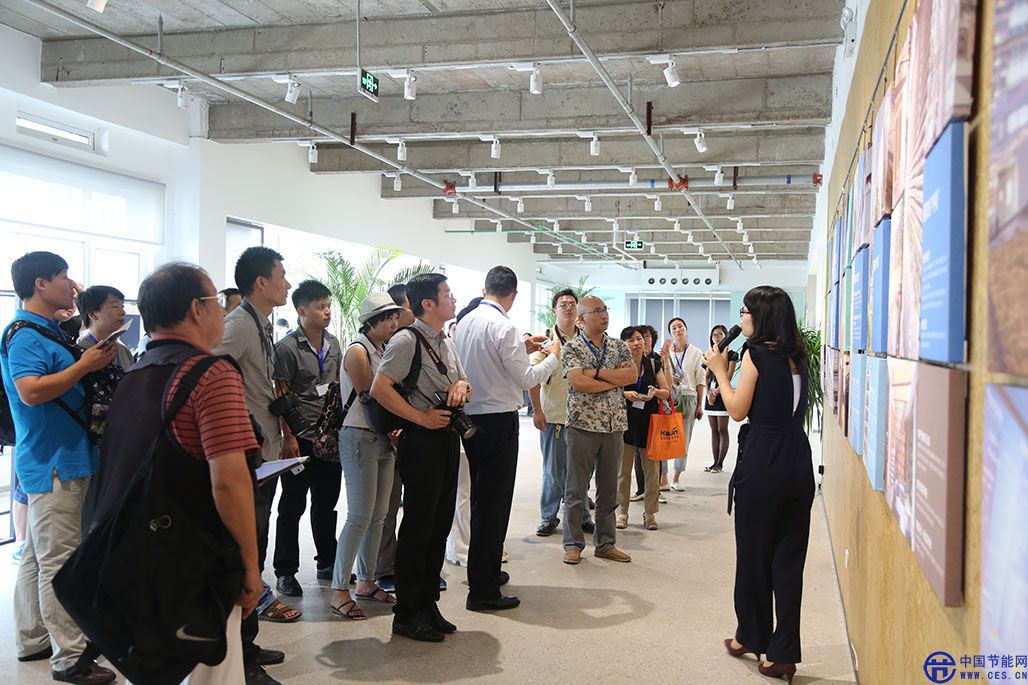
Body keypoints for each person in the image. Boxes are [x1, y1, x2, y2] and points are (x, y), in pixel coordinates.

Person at [95, 262, 262, 685]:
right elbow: (228, 481)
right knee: (210, 674)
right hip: (195, 563)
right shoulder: (213, 374)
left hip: (134, 553)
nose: (223, 311)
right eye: (217, 302)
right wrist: (250, 564)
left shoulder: (134, 374)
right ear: (195, 309)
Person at [1, 251, 117, 684]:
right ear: (40, 283)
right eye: (64, 276)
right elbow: (30, 391)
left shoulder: (46, 329)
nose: (72, 284)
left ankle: (32, 637)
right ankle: (70, 658)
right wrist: (85, 365)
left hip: (62, 458)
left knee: (37, 555)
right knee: (59, 561)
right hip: (52, 461)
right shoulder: (24, 335)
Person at [704, 286, 813, 684]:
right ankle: (783, 654)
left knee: (753, 555)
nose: (741, 317)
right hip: (797, 456)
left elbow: (736, 410)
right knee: (788, 561)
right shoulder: (797, 353)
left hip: (764, 457)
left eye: (746, 311)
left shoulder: (755, 354)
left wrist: (719, 370)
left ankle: (751, 636)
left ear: (761, 316)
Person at [370, 273, 470, 642]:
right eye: (447, 294)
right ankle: (407, 612)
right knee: (418, 527)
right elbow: (379, 388)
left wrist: (462, 386)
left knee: (439, 524)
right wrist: (419, 418)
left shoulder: (446, 341)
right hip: (421, 441)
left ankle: (428, 604)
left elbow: (464, 382)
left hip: (446, 437)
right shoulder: (406, 340)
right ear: (428, 303)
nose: (453, 298)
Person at [455, 266, 559, 611]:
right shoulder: (504, 326)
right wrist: (554, 357)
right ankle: (483, 590)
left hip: (470, 417)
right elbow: (526, 377)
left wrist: (523, 347)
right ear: (512, 295)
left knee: (480, 500)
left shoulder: (466, 321)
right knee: (493, 505)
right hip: (498, 420)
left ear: (485, 287)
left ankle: (483, 572)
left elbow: (487, 363)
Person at [213, 246, 295, 685]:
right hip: (245, 453)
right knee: (246, 551)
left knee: (256, 548)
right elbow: (211, 370)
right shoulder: (240, 325)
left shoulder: (260, 324)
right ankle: (241, 658)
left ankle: (248, 644)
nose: (287, 283)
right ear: (261, 282)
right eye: (281, 276)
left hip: (263, 450)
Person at [329, 292, 404, 620]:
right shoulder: (358, 351)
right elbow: (371, 398)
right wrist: (397, 425)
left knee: (379, 514)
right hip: (359, 436)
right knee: (359, 515)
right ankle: (339, 590)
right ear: (371, 321)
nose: (393, 323)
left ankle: (366, 581)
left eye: (395, 317)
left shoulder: (381, 349)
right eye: (388, 318)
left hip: (382, 439)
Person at [272, 280, 343, 595]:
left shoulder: (334, 344)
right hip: (299, 438)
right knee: (292, 505)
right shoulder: (287, 348)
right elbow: (281, 394)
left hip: (329, 437)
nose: (326, 312)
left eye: (328, 306)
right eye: (320, 307)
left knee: (326, 503)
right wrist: (287, 437)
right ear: (302, 311)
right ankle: (285, 571)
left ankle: (327, 562)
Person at [560, 295, 638, 565]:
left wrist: (595, 372)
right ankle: (572, 544)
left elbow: (631, 376)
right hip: (582, 425)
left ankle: (606, 543)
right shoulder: (572, 347)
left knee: (608, 489)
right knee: (576, 489)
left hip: (614, 425)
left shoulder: (618, 346)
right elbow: (578, 383)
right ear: (582, 319)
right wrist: (613, 377)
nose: (604, 314)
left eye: (605, 309)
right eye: (597, 311)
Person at [528, 288, 593, 537]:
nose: (568, 308)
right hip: (554, 416)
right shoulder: (544, 342)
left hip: (583, 418)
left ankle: (582, 516)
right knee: (553, 472)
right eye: (563, 304)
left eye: (572, 304)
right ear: (554, 311)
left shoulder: (587, 341)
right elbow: (533, 379)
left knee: (581, 472)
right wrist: (537, 411)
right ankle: (548, 517)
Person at [374, 282, 417, 593]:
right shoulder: (381, 346)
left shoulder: (413, 342)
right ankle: (384, 568)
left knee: (409, 505)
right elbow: (375, 393)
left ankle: (403, 566)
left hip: (410, 437)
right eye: (409, 307)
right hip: (386, 438)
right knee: (386, 508)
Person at [617, 326, 670, 530]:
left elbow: (666, 392)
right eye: (631, 340)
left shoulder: (653, 364)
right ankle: (622, 512)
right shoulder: (619, 365)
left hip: (649, 424)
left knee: (652, 472)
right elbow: (610, 390)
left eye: (639, 339)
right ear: (624, 344)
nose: (637, 343)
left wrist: (656, 392)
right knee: (623, 472)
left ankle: (650, 514)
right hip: (625, 423)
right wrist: (626, 394)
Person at [660, 317, 705, 490]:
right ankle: (663, 477)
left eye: (680, 326)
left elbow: (700, 380)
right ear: (670, 333)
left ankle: (676, 478)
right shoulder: (666, 352)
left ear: (686, 329)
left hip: (689, 397)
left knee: (683, 440)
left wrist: (700, 405)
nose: (678, 330)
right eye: (674, 328)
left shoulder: (695, 352)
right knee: (664, 437)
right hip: (669, 397)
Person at [632, 324, 666, 505]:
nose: (642, 341)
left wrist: (656, 391)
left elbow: (667, 390)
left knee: (653, 456)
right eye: (637, 338)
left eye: (645, 337)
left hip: (652, 416)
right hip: (630, 417)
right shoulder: (626, 361)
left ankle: (654, 494)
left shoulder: (656, 361)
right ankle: (640, 490)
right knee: (635, 457)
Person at [75, 285, 135, 370]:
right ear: (93, 314)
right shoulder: (80, 350)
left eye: (122, 306)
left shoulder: (124, 351)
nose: (123, 312)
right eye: (115, 306)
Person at [705, 325, 739, 474]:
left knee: (722, 429)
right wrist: (708, 393)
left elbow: (728, 376)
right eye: (714, 335)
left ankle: (720, 464)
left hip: (723, 394)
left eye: (720, 334)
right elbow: (707, 377)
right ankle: (714, 463)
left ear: (726, 336)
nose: (717, 337)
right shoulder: (711, 355)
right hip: (711, 396)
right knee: (713, 430)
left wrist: (716, 392)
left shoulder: (732, 354)